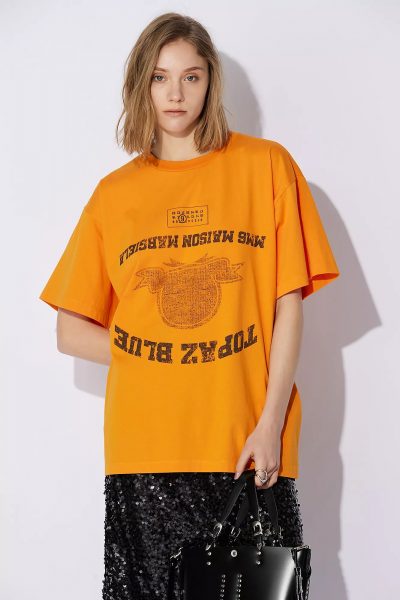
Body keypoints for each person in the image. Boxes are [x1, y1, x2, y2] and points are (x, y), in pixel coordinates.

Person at [38, 12, 340, 600]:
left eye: (191, 77)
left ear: (210, 83)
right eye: (159, 77)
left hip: (244, 442)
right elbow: (69, 331)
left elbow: (289, 305)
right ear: (140, 85)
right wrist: (162, 354)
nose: (175, 93)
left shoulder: (265, 167)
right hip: (145, 450)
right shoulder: (114, 195)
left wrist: (271, 425)